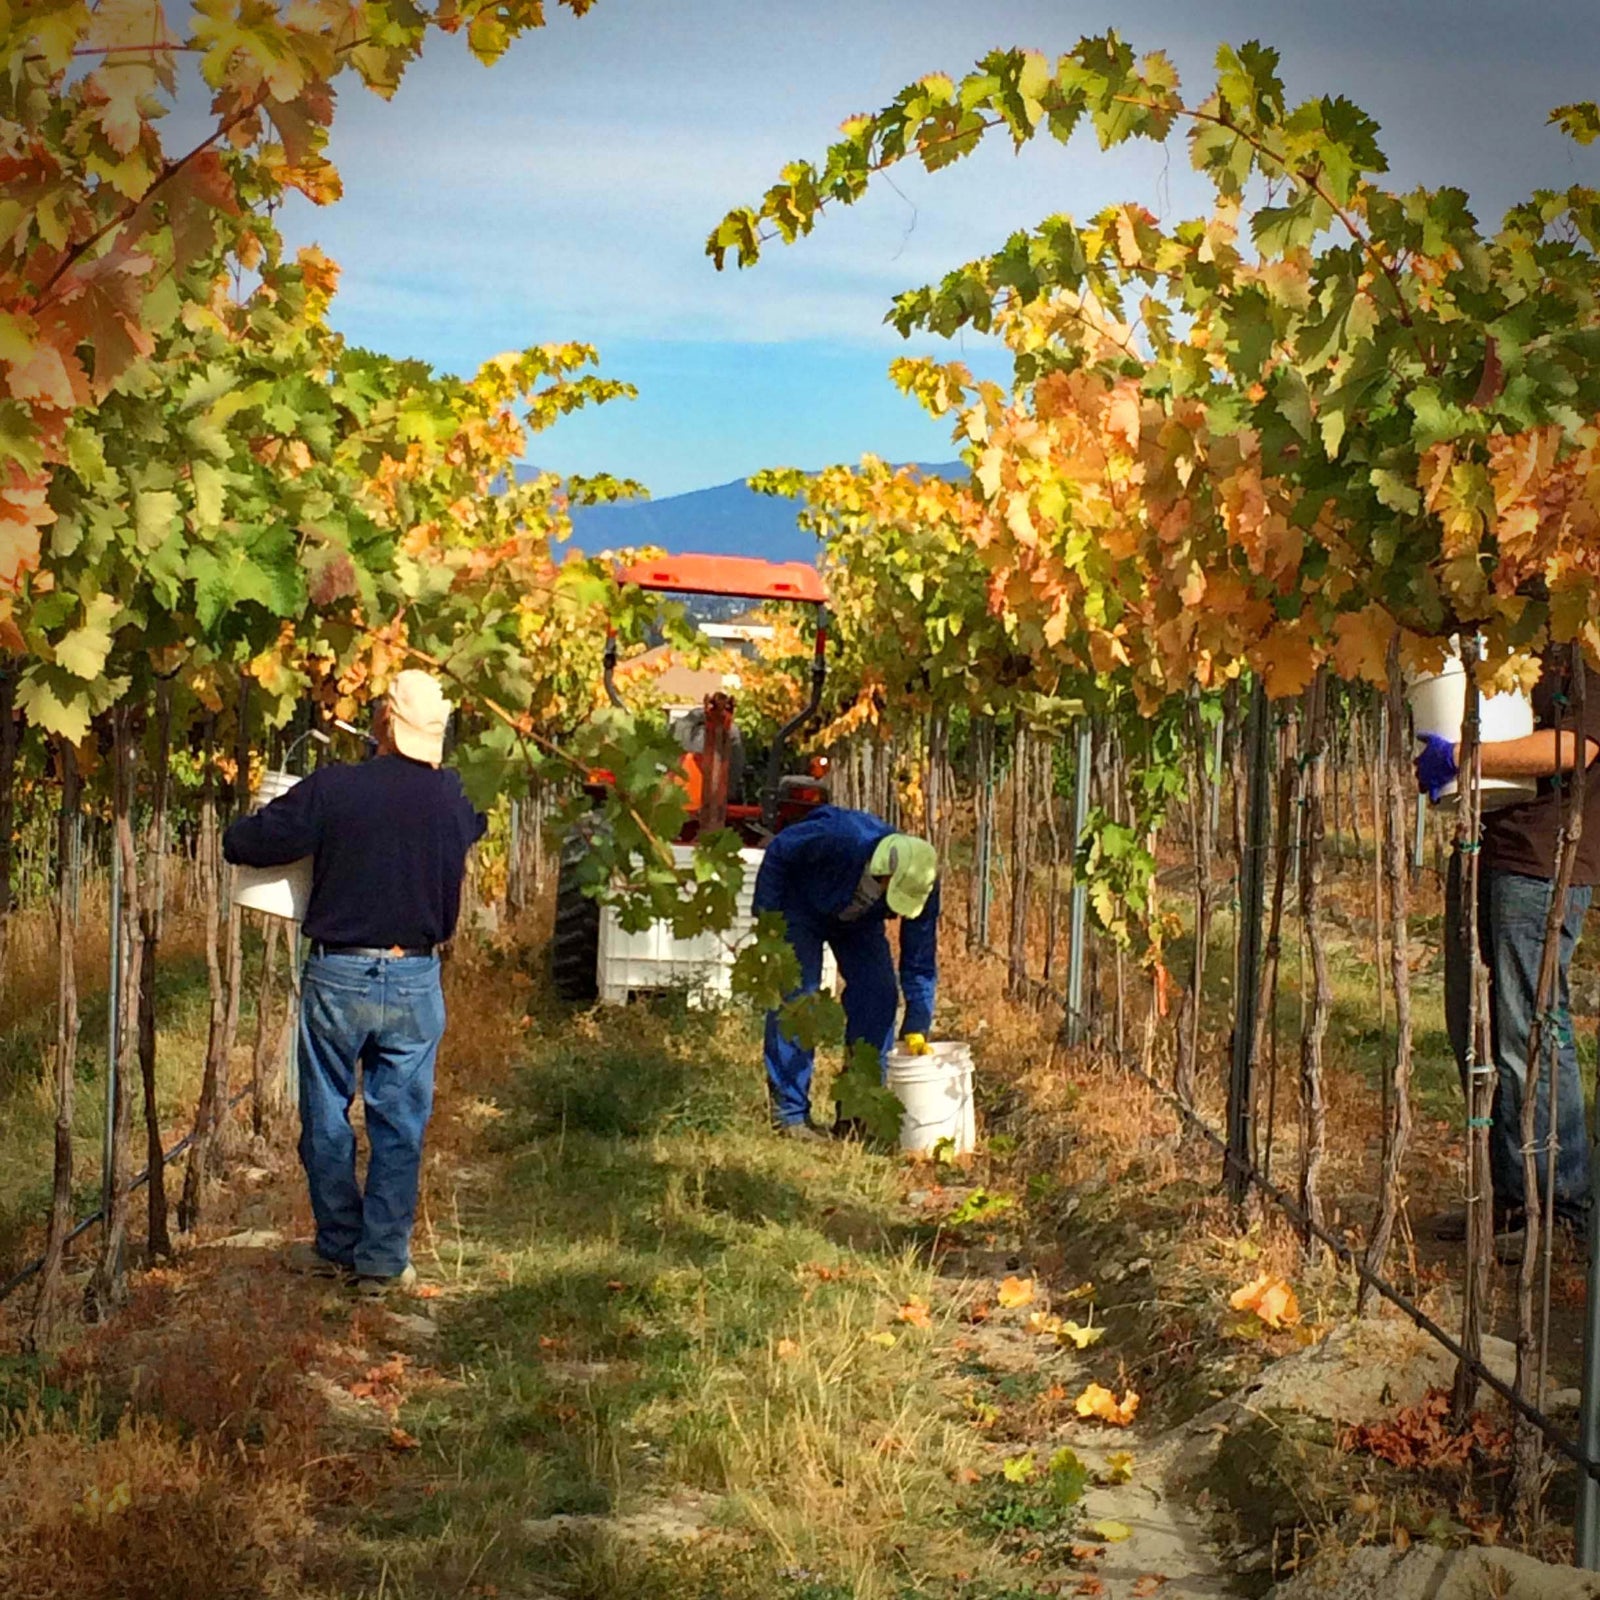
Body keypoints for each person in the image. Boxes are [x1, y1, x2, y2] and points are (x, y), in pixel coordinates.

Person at [224, 670, 486, 1296]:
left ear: (381, 723)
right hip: (416, 976)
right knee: (399, 1122)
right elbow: (466, 829)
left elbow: (248, 844)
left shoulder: (336, 788)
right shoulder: (455, 798)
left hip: (338, 973)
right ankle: (381, 1261)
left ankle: (337, 1245)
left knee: (326, 1115)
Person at [1417, 647, 1600, 1256]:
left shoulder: (1584, 635)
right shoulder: (1504, 628)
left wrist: (1466, 759)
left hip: (1546, 855)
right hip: (1485, 842)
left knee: (1531, 1028)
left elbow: (1577, 745)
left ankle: (1564, 1208)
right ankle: (1511, 1198)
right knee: (1475, 1027)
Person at [752, 804, 939, 1141]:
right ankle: (790, 1114)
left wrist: (918, 1021)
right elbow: (780, 851)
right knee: (799, 998)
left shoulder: (923, 882)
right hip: (800, 907)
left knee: (879, 996)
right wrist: (768, 921)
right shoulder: (841, 836)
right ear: (883, 870)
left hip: (858, 923)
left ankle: (857, 1113)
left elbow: (920, 957)